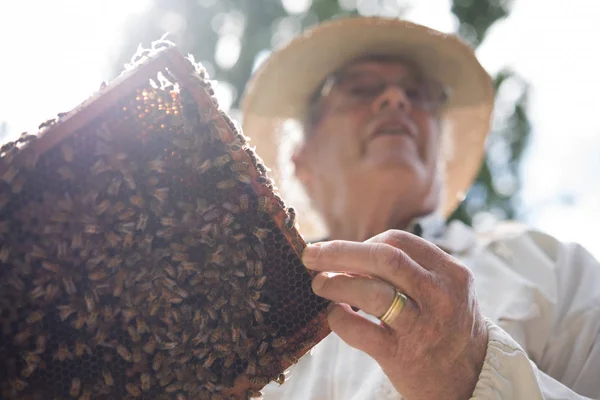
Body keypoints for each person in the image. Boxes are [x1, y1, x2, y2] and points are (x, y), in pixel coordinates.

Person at [239, 16, 600, 400]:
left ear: (439, 149)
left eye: (419, 93)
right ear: (302, 158)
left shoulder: (549, 268)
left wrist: (473, 373)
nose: (396, 98)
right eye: (360, 89)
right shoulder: (249, 328)